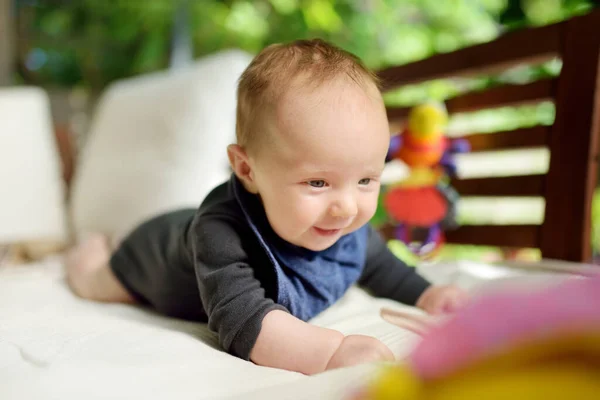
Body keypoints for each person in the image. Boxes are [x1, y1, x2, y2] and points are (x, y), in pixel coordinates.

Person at [66, 39, 468, 375]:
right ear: (247, 169)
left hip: (183, 227)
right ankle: (97, 249)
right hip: (153, 253)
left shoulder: (344, 226)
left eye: (365, 180)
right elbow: (243, 321)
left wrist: (426, 295)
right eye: (317, 182)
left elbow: (381, 267)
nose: (346, 208)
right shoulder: (221, 234)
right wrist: (330, 353)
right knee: (96, 283)